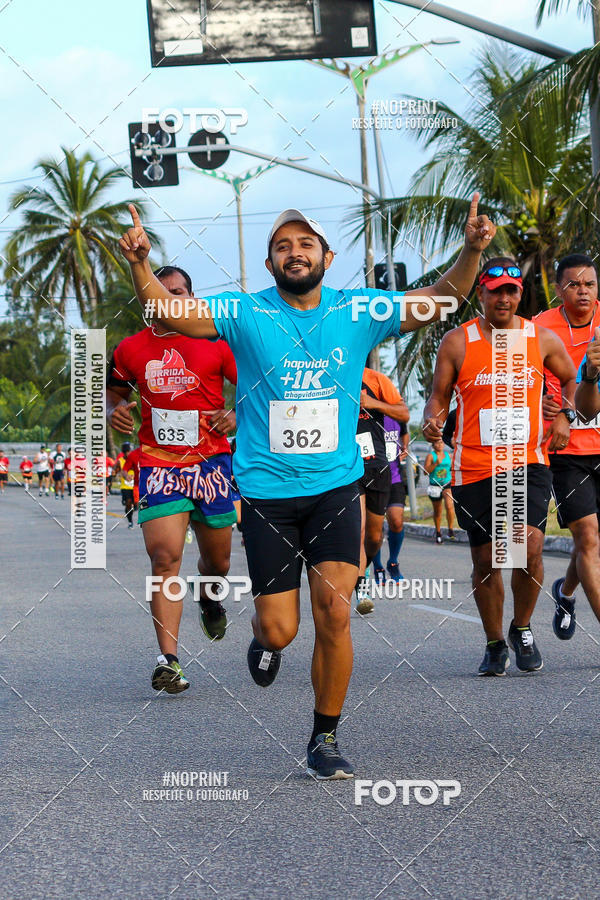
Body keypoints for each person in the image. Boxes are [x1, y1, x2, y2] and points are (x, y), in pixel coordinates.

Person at [120, 195, 495, 778]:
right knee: (281, 627)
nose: (294, 253)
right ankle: (263, 639)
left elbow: (438, 302)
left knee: (335, 614)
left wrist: (471, 250)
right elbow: (170, 314)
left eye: (305, 244)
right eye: (282, 247)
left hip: (336, 487)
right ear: (270, 264)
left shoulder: (358, 308)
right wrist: (142, 264)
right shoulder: (245, 311)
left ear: (327, 255)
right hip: (268, 495)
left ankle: (325, 737)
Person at [424, 257, 576, 676]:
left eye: (512, 290)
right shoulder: (458, 342)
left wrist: (564, 414)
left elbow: (570, 379)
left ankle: (522, 627)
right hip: (473, 464)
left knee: (527, 546)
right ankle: (494, 643)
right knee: (488, 558)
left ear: (519, 294)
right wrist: (432, 418)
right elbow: (437, 397)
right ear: (482, 294)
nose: (505, 297)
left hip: (527, 459)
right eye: (496, 290)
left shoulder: (539, 338)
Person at [106, 264, 237, 695]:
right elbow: (113, 391)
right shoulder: (130, 349)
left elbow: (258, 385)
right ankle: (169, 659)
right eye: (162, 293)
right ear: (147, 300)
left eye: (180, 292)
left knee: (217, 563)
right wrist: (114, 410)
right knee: (164, 559)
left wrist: (236, 413)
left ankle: (209, 595)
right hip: (158, 465)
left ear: (192, 297)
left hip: (213, 464)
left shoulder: (216, 341)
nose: (171, 300)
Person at [534, 255, 600, 640]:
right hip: (566, 449)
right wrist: (545, 401)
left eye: (589, 284)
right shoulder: (540, 328)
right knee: (588, 536)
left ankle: (566, 590)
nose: (583, 291)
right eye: (574, 285)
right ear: (559, 291)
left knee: (587, 541)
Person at [354, 367, 409, 614]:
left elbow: (403, 413)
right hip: (346, 467)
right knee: (359, 528)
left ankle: (367, 565)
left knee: (374, 537)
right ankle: (361, 587)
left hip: (377, 466)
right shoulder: (327, 374)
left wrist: (373, 403)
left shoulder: (376, 379)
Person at [372, 414, 409, 583]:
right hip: (373, 478)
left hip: (394, 477)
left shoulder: (396, 411)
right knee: (375, 528)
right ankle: (377, 565)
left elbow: (404, 432)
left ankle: (393, 562)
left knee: (396, 520)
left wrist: (405, 446)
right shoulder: (366, 413)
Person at [424, 438, 455, 543]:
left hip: (447, 484)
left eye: (441, 442)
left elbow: (452, 468)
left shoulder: (448, 455)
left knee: (449, 506)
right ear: (433, 445)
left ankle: (451, 530)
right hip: (435, 485)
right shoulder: (430, 456)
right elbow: (425, 472)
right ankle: (438, 532)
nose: (440, 444)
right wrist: (435, 463)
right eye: (437, 443)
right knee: (438, 511)